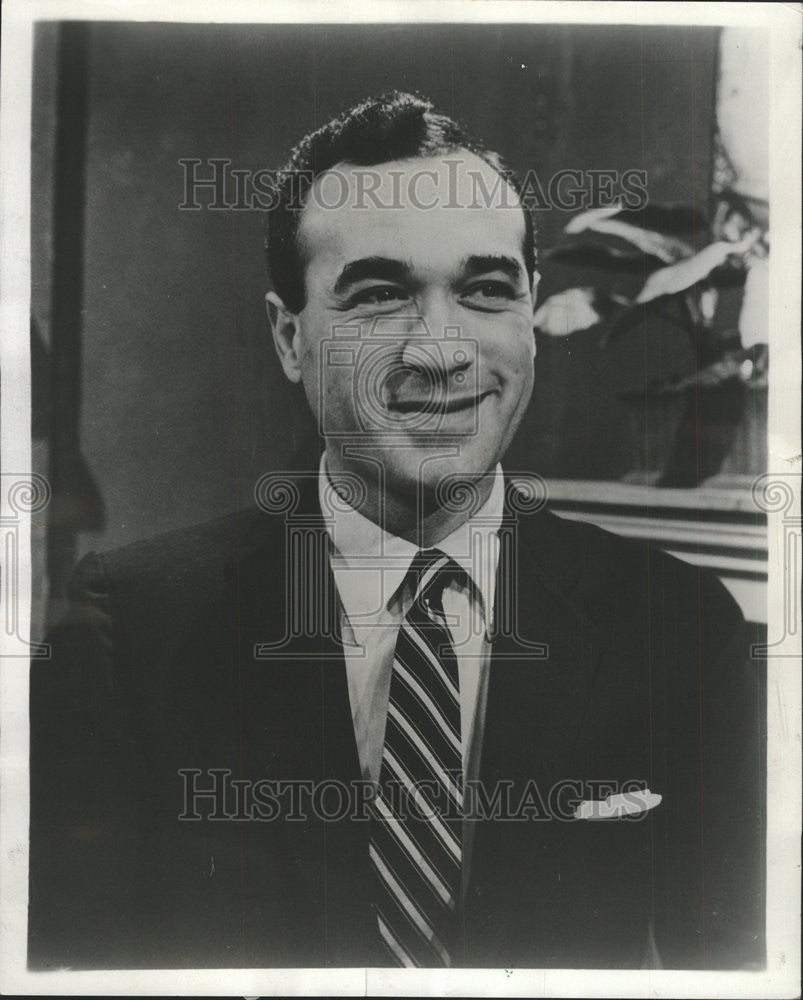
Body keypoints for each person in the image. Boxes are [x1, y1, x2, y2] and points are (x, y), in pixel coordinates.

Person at [28, 91, 764, 971]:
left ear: (529, 321)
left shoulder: (680, 626)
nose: (440, 350)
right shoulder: (133, 635)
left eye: (488, 291)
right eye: (379, 296)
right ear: (289, 339)